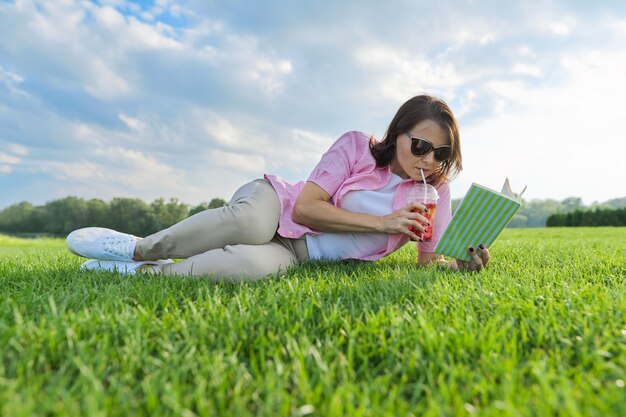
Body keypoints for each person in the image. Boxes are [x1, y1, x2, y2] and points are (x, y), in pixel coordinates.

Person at [66, 94, 490, 281]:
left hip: (298, 251)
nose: (428, 160)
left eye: (441, 153)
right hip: (277, 203)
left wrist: (461, 266)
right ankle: (139, 248)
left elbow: (426, 262)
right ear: (398, 133)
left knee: (251, 269)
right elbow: (306, 208)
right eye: (420, 145)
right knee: (250, 223)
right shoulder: (357, 146)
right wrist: (383, 223)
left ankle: (141, 274)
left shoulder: (436, 192)